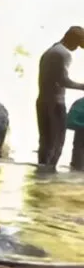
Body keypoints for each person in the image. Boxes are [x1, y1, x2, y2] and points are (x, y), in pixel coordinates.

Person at [36, 26, 84, 168]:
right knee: (56, 144)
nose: (78, 48)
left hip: (43, 101)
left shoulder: (51, 50)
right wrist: (82, 86)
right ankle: (47, 178)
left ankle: (41, 177)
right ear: (73, 40)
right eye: (79, 44)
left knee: (45, 142)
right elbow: (63, 81)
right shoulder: (63, 54)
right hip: (55, 103)